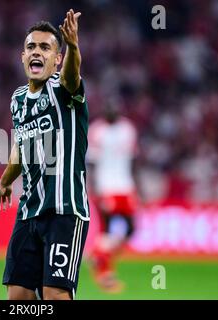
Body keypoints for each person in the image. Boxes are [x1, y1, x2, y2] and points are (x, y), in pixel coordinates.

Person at [0, 9, 90, 300]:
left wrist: (72, 45)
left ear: (56, 59)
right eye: (31, 47)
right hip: (28, 211)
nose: (37, 52)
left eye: (45, 47)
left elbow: (73, 76)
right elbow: (22, 148)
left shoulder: (64, 89)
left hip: (64, 211)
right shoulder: (18, 99)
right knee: (18, 295)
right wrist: (5, 181)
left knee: (54, 294)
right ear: (22, 57)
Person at [86, 98, 139, 293]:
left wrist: (137, 187)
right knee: (106, 229)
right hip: (105, 187)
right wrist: (93, 188)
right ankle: (105, 272)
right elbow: (91, 163)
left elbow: (133, 159)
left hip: (125, 185)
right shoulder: (97, 131)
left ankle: (100, 256)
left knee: (132, 229)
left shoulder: (128, 129)